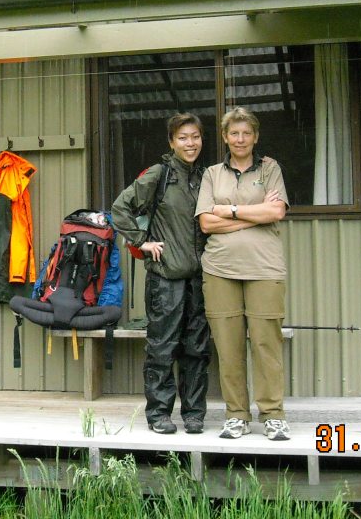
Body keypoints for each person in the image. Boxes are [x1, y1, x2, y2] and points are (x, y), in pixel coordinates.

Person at [195, 107, 290, 441]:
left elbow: (276, 211)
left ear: (255, 136)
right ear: (225, 137)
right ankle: (237, 415)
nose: (240, 139)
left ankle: (273, 415)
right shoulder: (211, 174)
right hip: (220, 269)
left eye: (246, 133)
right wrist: (254, 215)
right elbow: (206, 222)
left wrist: (230, 210)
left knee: (266, 343)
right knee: (228, 346)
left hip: (265, 268)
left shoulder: (270, 168)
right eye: (234, 133)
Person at [111, 113, 210, 435]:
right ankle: (158, 414)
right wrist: (141, 241)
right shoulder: (160, 174)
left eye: (195, 137)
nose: (190, 143)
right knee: (162, 348)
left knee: (197, 349)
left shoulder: (205, 177)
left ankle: (194, 414)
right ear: (171, 142)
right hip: (165, 278)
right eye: (183, 137)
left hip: (199, 279)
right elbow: (120, 208)